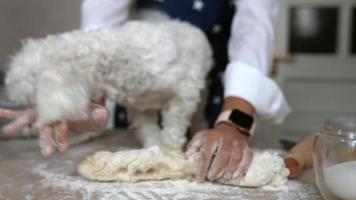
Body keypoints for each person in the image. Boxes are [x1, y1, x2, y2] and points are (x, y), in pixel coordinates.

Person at [0, 0, 290, 183]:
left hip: (221, 80)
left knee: (223, 161)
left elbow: (255, 23)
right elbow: (102, 27)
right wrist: (84, 97)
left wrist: (235, 120)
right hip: (143, 75)